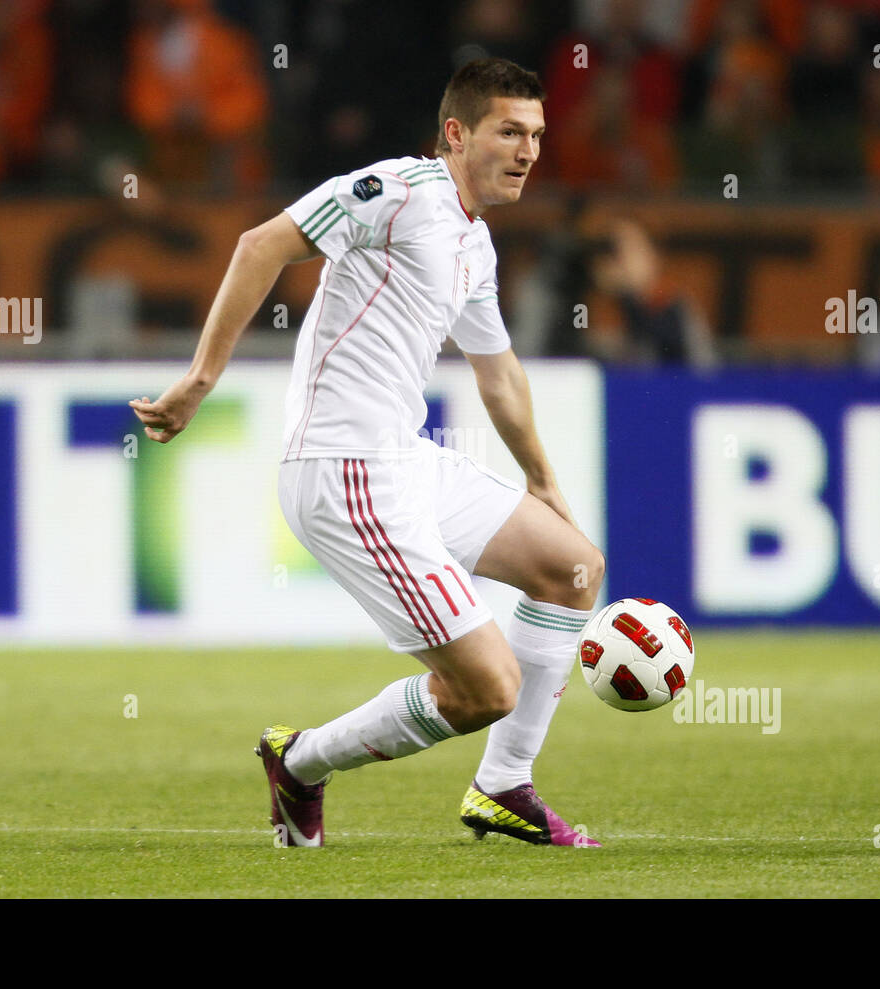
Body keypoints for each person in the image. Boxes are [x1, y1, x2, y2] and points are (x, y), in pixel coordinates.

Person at [129, 58, 606, 847]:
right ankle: (302, 762)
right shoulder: (396, 191)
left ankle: (503, 785)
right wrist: (199, 378)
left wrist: (544, 481)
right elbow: (260, 245)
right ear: (457, 134)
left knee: (574, 566)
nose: (529, 151)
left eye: (538, 135)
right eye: (510, 132)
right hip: (343, 468)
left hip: (405, 460)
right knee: (487, 687)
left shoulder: (473, 244)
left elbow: (498, 373)